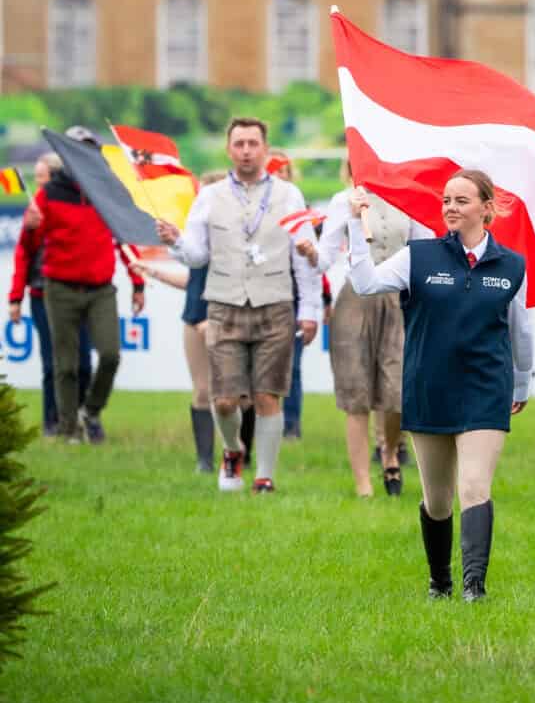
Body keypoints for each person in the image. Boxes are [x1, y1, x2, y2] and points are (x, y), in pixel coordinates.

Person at [341, 169, 532, 601]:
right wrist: (356, 223)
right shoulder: (418, 257)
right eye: (446, 200)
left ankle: (473, 586)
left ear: (487, 208)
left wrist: (520, 384)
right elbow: (366, 283)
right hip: (429, 387)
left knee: (474, 487)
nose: (450, 207)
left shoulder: (512, 265)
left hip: (487, 389)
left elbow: (521, 331)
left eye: (461, 200)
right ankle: (440, 581)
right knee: (439, 500)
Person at [156, 116, 320, 495]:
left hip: (275, 303)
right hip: (225, 304)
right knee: (226, 399)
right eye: (239, 144)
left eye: (252, 143)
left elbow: (304, 258)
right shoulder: (209, 197)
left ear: (265, 149)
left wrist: (309, 310)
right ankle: (232, 450)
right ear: (229, 149)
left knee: (267, 395)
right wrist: (176, 241)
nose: (246, 150)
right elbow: (197, 257)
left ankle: (265, 476)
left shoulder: (289, 195)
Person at [22, 135, 145, 445]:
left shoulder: (108, 191)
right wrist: (30, 227)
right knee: (65, 366)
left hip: (100, 289)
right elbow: (30, 246)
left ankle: (90, 411)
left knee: (110, 355)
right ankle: (67, 429)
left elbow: (125, 238)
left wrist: (138, 283)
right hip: (60, 288)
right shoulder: (50, 193)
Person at [296, 180, 412, 499]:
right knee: (356, 391)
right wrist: (309, 252)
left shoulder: (409, 197)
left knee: (398, 390)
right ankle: (363, 483)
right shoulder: (342, 200)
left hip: (399, 298)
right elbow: (325, 258)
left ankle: (390, 451)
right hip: (357, 299)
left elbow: (424, 249)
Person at [132, 169, 227, 473]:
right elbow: (193, 279)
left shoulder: (235, 240)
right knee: (202, 390)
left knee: (234, 392)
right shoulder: (194, 240)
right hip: (194, 317)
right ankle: (204, 460)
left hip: (229, 317)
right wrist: (153, 271)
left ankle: (238, 453)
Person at [7, 151, 92, 436]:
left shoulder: (73, 208)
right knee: (50, 362)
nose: (37, 184)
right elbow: (23, 255)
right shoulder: (34, 213)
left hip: (77, 293)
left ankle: (80, 419)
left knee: (80, 363)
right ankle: (51, 424)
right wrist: (15, 298)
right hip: (42, 295)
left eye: (41, 178)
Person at [267, 152, 305, 440]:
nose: (278, 175)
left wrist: (320, 302)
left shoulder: (300, 212)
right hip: (261, 294)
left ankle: (291, 426)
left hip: (291, 296)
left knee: (291, 365)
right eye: (272, 170)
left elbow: (312, 266)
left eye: (283, 171)